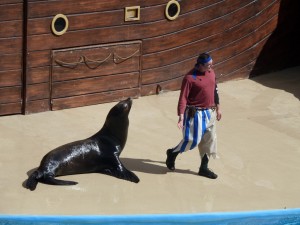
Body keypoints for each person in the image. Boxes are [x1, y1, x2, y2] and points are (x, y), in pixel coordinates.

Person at [165, 52, 222, 179]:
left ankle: (204, 168)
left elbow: (215, 90)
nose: (211, 67)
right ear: (200, 65)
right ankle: (172, 153)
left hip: (210, 113)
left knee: (210, 140)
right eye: (208, 65)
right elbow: (183, 98)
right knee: (192, 140)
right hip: (195, 114)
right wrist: (181, 115)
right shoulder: (190, 78)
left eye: (212, 64)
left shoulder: (211, 73)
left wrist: (218, 108)